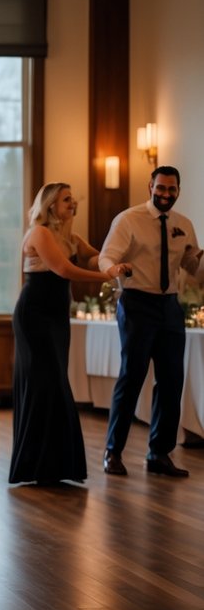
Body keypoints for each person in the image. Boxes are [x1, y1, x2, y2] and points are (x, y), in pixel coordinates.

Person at [10, 183, 129, 485]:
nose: (73, 202)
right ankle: (35, 465)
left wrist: (113, 264)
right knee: (44, 382)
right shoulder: (40, 233)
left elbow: (93, 257)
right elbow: (64, 270)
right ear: (51, 206)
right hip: (34, 315)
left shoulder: (70, 238)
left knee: (56, 382)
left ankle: (57, 466)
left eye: (72, 198)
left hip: (57, 316)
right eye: (66, 199)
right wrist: (106, 275)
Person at [99, 166, 202, 478]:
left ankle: (159, 453)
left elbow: (190, 265)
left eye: (172, 190)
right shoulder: (128, 219)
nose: (166, 195)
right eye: (161, 188)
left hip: (170, 305)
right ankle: (113, 452)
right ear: (150, 186)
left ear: (178, 191)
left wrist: (195, 259)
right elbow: (106, 256)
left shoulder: (184, 224)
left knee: (172, 379)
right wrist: (114, 270)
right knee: (132, 376)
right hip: (137, 303)